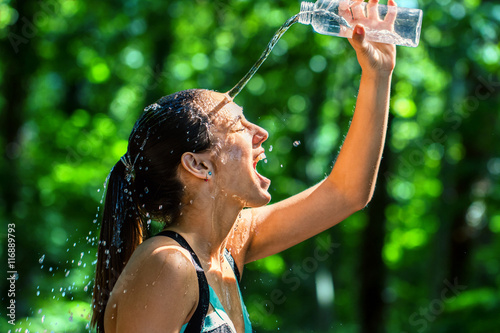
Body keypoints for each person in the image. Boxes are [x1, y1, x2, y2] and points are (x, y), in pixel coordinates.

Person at [91, 0, 397, 331]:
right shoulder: (168, 264)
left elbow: (346, 192)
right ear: (198, 164)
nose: (261, 133)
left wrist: (377, 74)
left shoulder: (225, 250)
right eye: (240, 125)